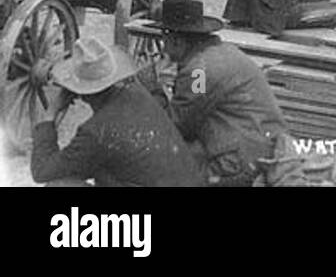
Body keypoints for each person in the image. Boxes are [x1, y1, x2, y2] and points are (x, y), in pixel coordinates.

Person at [29, 36, 205, 187]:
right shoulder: (136, 91)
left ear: (79, 89)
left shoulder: (95, 132)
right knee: (100, 169)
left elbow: (42, 171)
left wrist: (51, 113)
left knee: (60, 185)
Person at [153, 0, 290, 186]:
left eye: (164, 40)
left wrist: (153, 88)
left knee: (163, 174)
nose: (163, 46)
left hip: (241, 162)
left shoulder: (198, 72)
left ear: (176, 41)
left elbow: (177, 126)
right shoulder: (224, 52)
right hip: (264, 148)